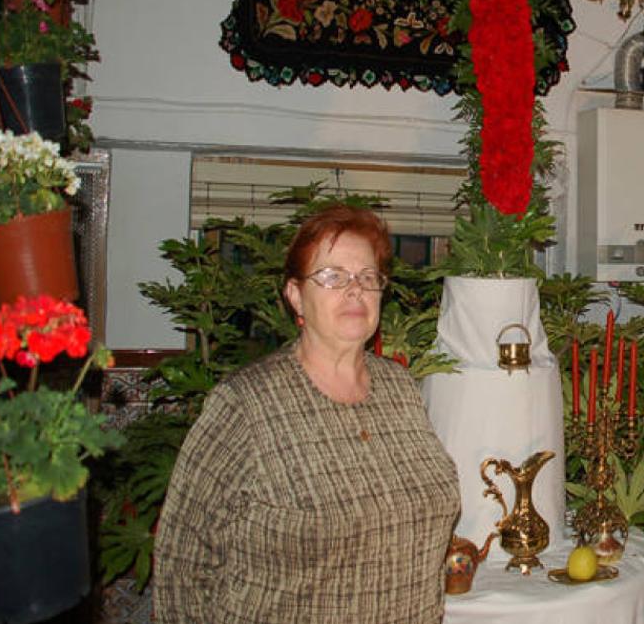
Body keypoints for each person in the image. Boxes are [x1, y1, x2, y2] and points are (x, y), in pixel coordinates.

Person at [154, 205, 460, 623]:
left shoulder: (401, 388)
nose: (355, 290)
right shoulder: (245, 404)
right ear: (295, 294)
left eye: (367, 278)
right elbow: (182, 566)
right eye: (332, 277)